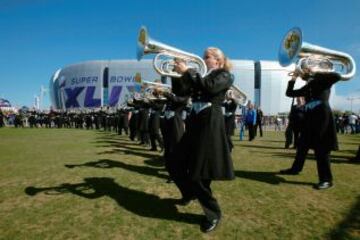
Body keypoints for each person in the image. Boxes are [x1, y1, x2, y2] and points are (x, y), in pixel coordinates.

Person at [170, 47, 234, 233]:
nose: (202, 59)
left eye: (207, 57)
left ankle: (213, 213)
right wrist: (177, 74)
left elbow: (210, 87)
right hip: (195, 121)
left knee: (198, 174)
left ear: (218, 61)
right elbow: (180, 92)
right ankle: (189, 194)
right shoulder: (200, 76)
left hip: (210, 123)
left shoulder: (225, 75)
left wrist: (188, 71)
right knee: (175, 161)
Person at [279, 60, 340, 190]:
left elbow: (337, 76)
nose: (306, 70)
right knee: (302, 146)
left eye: (308, 68)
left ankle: (326, 180)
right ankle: (295, 169)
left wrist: (318, 71)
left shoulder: (323, 80)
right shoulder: (309, 86)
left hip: (322, 118)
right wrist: (294, 77)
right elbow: (289, 93)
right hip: (309, 119)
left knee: (321, 150)